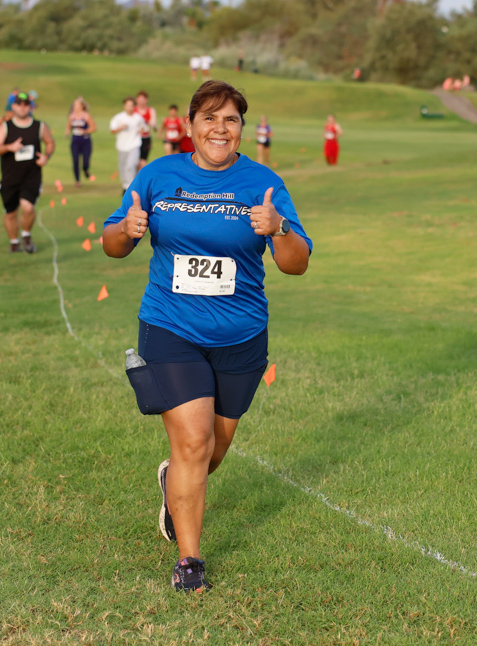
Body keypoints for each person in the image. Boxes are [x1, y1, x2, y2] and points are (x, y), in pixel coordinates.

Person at [102, 80, 312, 593]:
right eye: (210, 118)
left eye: (231, 119)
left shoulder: (263, 183)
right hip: (171, 326)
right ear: (191, 126)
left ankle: (172, 482)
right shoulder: (158, 175)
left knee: (214, 450)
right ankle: (189, 560)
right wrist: (125, 230)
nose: (220, 127)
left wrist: (279, 227)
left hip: (241, 335)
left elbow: (297, 264)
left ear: (241, 130)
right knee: (194, 442)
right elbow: (112, 245)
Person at [0, 91, 55, 254]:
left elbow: (49, 143)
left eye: (26, 104)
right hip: (10, 177)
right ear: (13, 106)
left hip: (31, 176)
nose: (22, 107)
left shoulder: (40, 126)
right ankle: (14, 242)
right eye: (19, 104)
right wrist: (9, 147)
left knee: (28, 208)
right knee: (10, 212)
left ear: (31, 107)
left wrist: (46, 157)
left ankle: (26, 235)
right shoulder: (5, 126)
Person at [109, 97, 144, 193]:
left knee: (131, 165)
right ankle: (125, 186)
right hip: (122, 145)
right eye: (128, 105)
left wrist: (142, 130)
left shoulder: (138, 117)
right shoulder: (119, 117)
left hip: (134, 144)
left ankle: (131, 186)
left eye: (131, 105)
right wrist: (121, 128)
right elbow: (112, 130)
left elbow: (144, 127)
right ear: (125, 106)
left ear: (134, 106)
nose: (130, 108)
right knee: (123, 166)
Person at [67, 96, 96, 188]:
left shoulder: (86, 116)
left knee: (85, 161)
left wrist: (85, 131)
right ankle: (77, 181)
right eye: (74, 104)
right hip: (75, 141)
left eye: (76, 104)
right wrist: (67, 132)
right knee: (75, 161)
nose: (74, 106)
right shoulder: (71, 116)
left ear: (81, 106)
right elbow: (68, 126)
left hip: (85, 141)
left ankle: (86, 169)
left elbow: (93, 128)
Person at [135, 90, 157, 171]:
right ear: (136, 100)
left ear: (146, 100)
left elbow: (153, 123)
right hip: (134, 138)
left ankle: (141, 181)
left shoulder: (150, 110)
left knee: (143, 161)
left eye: (143, 99)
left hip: (145, 138)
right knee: (135, 161)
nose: (141, 101)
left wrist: (152, 124)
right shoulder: (134, 111)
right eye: (139, 99)